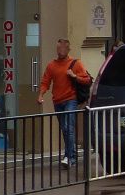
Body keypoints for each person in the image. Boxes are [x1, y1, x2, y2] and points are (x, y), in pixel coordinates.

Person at [37, 38, 91, 167]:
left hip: (70, 99)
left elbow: (87, 80)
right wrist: (40, 95)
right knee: (64, 129)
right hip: (58, 101)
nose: (60, 51)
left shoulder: (76, 63)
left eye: (63, 48)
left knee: (68, 127)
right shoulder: (51, 65)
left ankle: (69, 157)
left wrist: (74, 76)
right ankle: (71, 154)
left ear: (68, 49)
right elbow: (45, 82)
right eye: (58, 48)